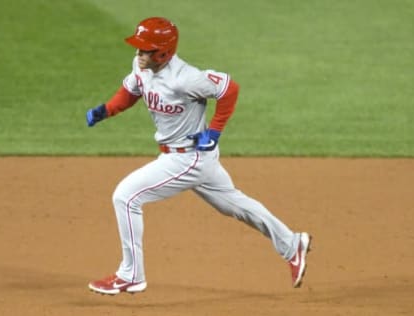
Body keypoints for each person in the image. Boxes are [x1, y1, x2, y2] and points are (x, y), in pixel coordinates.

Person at [86, 17, 311, 295]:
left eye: (146, 49)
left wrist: (214, 131)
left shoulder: (186, 78)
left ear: (163, 52)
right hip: (190, 160)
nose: (139, 54)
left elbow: (229, 89)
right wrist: (106, 110)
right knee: (234, 205)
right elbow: (132, 90)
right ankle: (292, 244)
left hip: (187, 158)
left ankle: (131, 274)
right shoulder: (141, 66)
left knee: (126, 196)